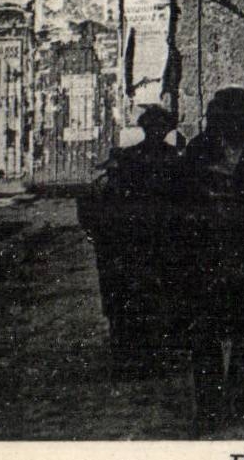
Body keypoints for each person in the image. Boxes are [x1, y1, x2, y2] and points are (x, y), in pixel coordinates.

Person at [181, 88, 244, 436]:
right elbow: (182, 204)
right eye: (238, 117)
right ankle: (207, 408)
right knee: (204, 333)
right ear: (222, 116)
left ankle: (238, 404)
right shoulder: (198, 151)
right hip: (207, 256)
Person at [79, 103, 185, 372]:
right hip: (136, 238)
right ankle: (137, 355)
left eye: (160, 128)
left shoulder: (170, 160)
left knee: (154, 296)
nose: (156, 132)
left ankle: (149, 354)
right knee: (136, 296)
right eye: (152, 127)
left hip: (154, 239)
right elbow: (102, 197)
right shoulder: (136, 159)